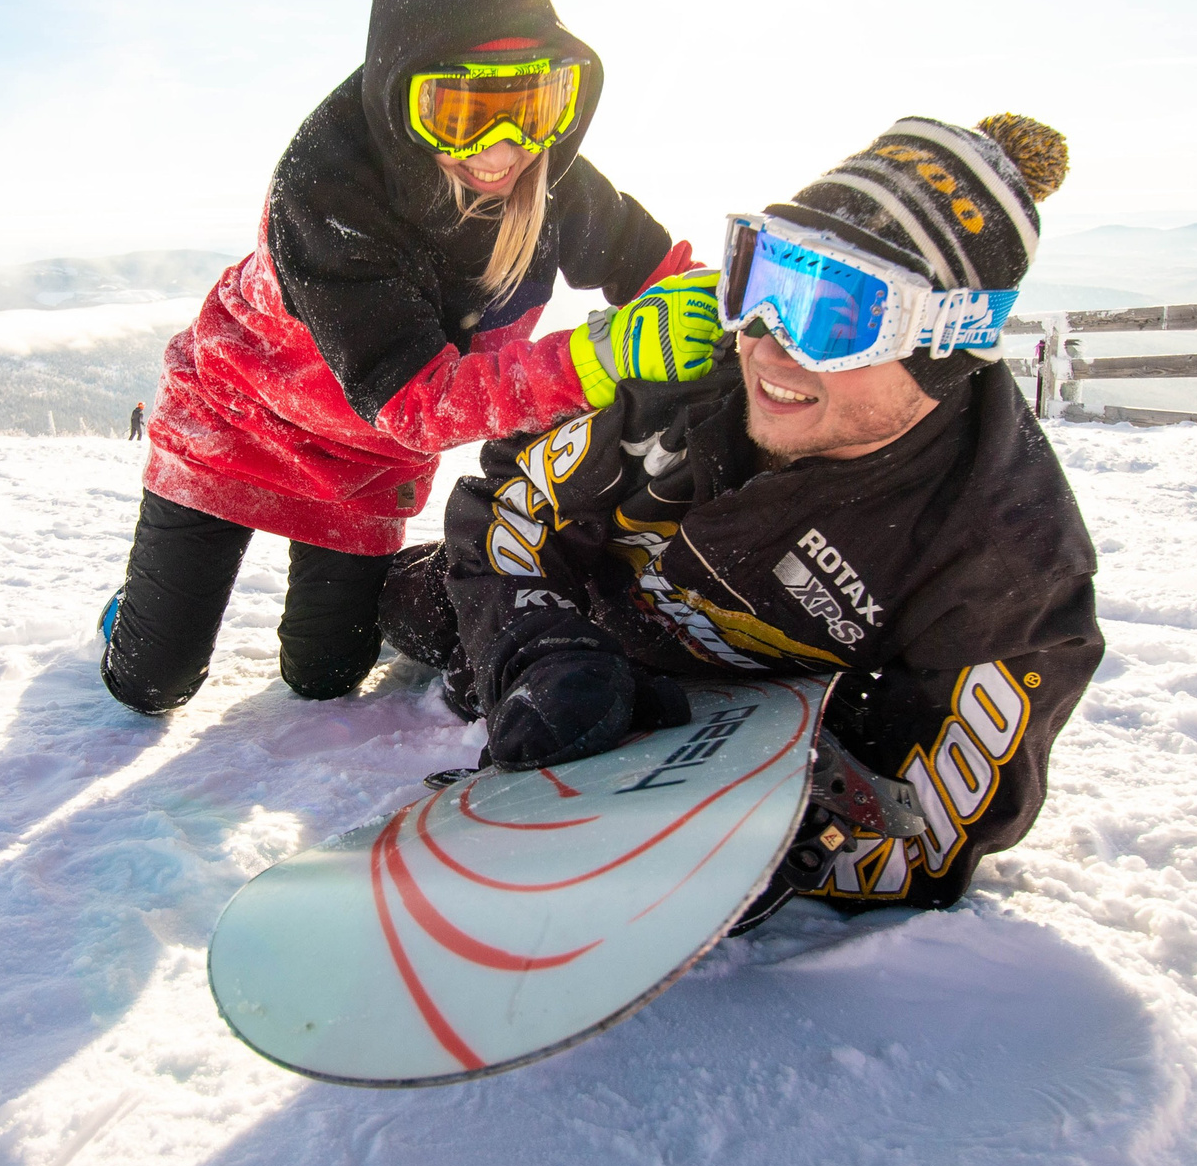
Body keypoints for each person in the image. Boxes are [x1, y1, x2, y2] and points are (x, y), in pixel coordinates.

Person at [382, 114, 1102, 920]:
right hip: (596, 622)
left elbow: (936, 825)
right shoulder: (693, 382)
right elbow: (505, 505)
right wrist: (535, 648)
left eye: (837, 317)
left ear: (946, 347)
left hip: (743, 714)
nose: (768, 346)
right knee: (405, 601)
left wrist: (771, 839)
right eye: (763, 286)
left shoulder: (1003, 555)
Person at [102, 0, 719, 714]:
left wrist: (729, 320)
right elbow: (418, 404)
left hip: (363, 470)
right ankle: (135, 622)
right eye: (463, 115)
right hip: (236, 425)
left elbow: (665, 273)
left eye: (531, 105)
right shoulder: (327, 191)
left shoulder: (552, 176)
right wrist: (600, 356)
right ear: (402, 96)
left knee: (324, 678)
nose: (504, 150)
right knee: (150, 685)